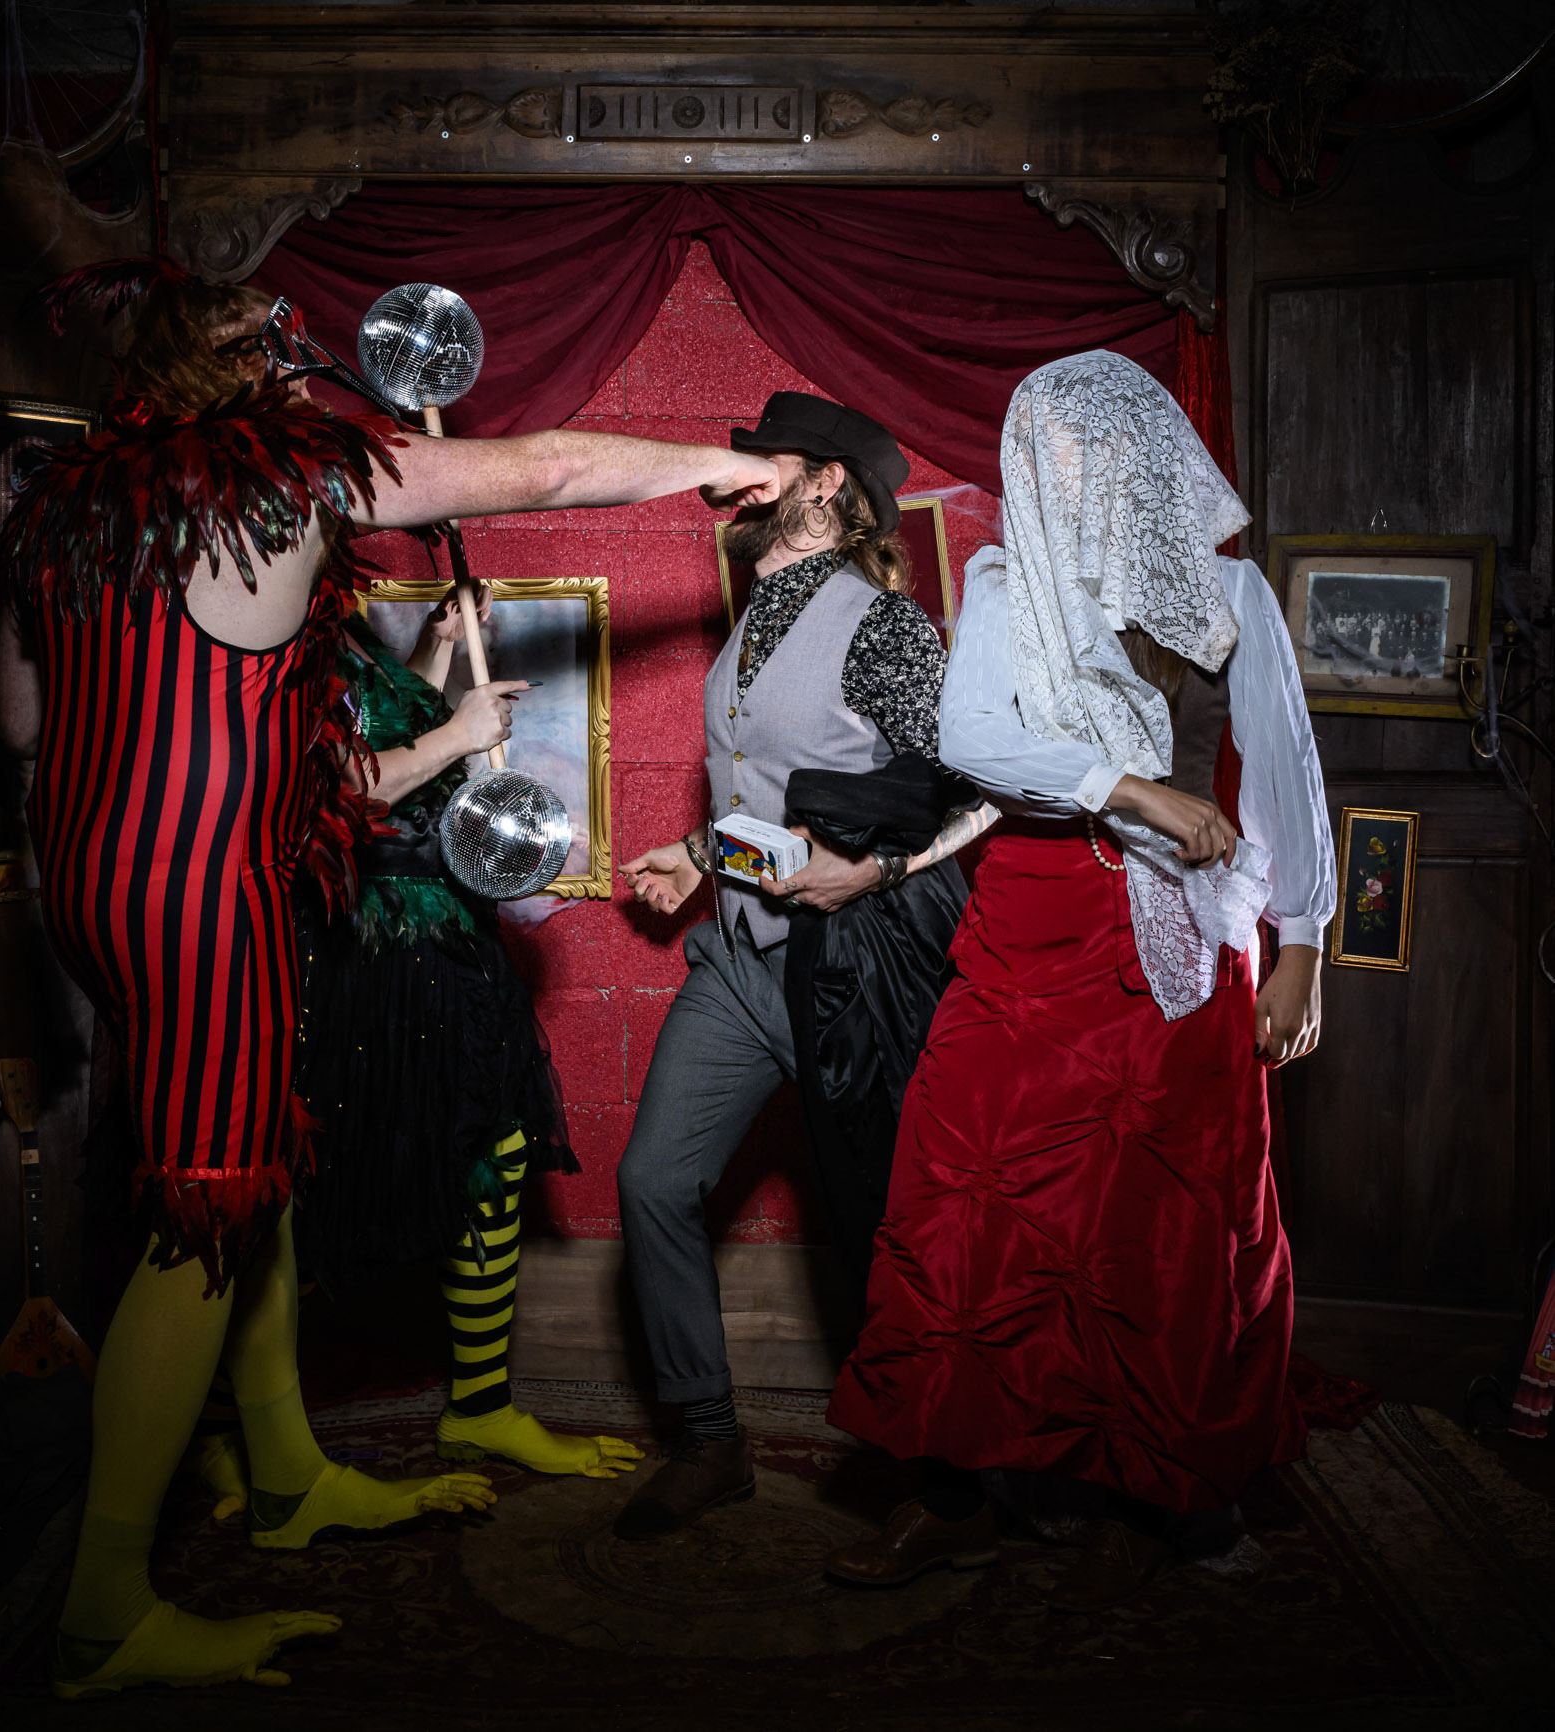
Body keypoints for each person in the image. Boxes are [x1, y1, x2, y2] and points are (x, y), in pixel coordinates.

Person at [0, 260, 778, 1698]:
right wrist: (723, 464)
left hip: (89, 888)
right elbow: (548, 468)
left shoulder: (58, 510)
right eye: (278, 350)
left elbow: (27, 723)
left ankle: (286, 1471)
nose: (303, 368)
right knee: (198, 1220)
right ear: (244, 370)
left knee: (253, 1180)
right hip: (203, 893)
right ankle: (102, 1609)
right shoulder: (287, 481)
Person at [825, 350, 1335, 1611]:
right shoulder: (1007, 585)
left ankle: (1162, 1499)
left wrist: (1304, 942)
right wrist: (1130, 789)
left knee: (1161, 1234)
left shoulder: (1232, 592)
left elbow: (1284, 768)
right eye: (1044, 452)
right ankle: (954, 1497)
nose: (1063, 471)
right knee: (966, 1206)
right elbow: (972, 737)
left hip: (1185, 947)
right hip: (1031, 930)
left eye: (1085, 447)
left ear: (1143, 453)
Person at [613, 393, 988, 1542]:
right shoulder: (753, 613)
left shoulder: (886, 628)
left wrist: (873, 873)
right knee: (653, 1180)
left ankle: (943, 1474)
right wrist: (694, 854)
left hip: (850, 973)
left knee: (885, 1219)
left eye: (761, 460)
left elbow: (973, 795)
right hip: (740, 963)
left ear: (825, 483)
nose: (734, 478)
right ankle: (708, 1437)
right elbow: (779, 805)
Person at [287, 587, 642, 1479]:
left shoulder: (342, 633)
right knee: (302, 1186)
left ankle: (480, 1407)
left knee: (494, 1151)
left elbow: (380, 726)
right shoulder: (273, 641)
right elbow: (336, 786)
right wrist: (458, 735)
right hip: (364, 948)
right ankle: (223, 1429)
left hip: (441, 942)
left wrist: (439, 647)